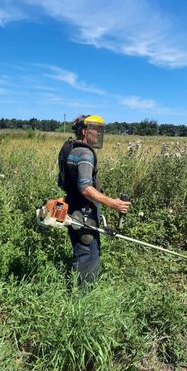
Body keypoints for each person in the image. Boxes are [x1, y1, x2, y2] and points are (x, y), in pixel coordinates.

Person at [58, 115, 131, 285]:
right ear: (85, 131)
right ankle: (83, 297)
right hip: (84, 211)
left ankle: (79, 290)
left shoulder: (71, 148)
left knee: (81, 250)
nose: (99, 134)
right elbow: (85, 188)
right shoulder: (84, 153)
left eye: (100, 130)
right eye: (95, 130)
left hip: (73, 205)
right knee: (88, 253)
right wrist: (114, 204)